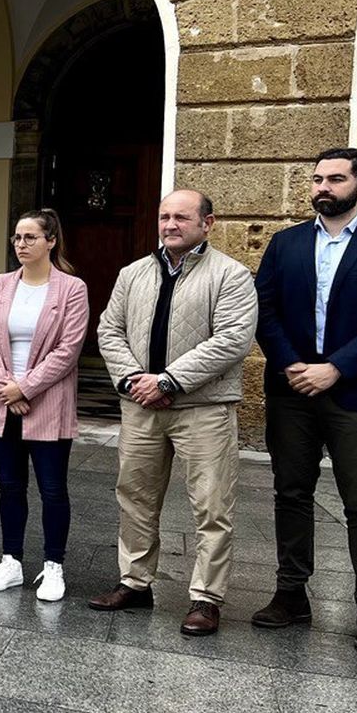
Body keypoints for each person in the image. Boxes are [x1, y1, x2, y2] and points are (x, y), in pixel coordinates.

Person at [89, 189, 257, 637]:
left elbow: (232, 340)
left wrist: (167, 381)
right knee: (135, 497)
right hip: (140, 407)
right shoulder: (132, 274)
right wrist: (133, 380)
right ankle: (134, 582)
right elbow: (109, 330)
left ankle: (206, 598)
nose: (170, 225)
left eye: (181, 217)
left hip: (203, 408)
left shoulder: (232, 275)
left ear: (207, 223)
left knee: (212, 505)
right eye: (164, 216)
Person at [253, 148, 357, 654]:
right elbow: (263, 309)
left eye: (335, 179)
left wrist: (337, 367)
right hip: (292, 391)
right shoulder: (285, 243)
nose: (323, 187)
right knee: (291, 492)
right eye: (316, 179)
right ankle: (291, 594)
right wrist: (291, 364)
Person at [0, 210, 89, 602]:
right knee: (10, 486)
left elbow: (68, 349)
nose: (21, 244)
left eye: (30, 237)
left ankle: (53, 565)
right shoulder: (0, 285)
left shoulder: (71, 289)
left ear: (51, 241)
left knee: (52, 488)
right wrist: (7, 387)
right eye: (17, 237)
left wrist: (25, 388)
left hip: (47, 401)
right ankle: (11, 561)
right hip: (3, 400)